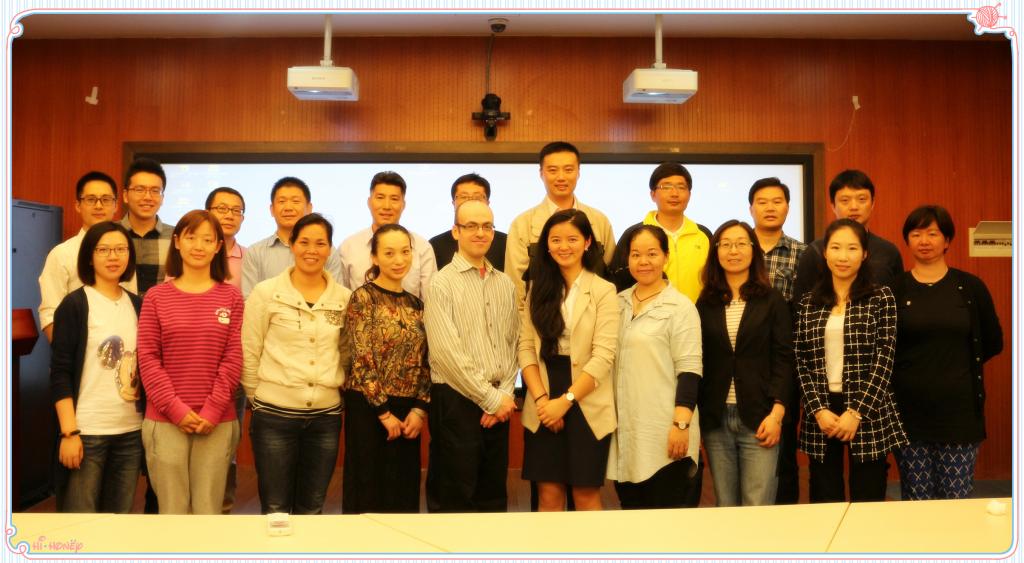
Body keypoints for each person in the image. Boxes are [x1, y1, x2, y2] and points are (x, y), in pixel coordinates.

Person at [242, 213, 351, 514]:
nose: (311, 250)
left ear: (330, 249)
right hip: (274, 417)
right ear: (292, 244)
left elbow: (346, 352)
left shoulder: (344, 298)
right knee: (275, 508)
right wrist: (257, 398)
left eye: (320, 243)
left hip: (325, 419)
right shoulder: (266, 293)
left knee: (313, 506)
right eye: (304, 242)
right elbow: (250, 350)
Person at [892, 205, 1002, 500]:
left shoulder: (970, 287)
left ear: (947, 240)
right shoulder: (894, 289)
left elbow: (993, 341)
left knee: (956, 497)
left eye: (933, 233)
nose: (924, 241)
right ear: (907, 240)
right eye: (916, 234)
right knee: (916, 497)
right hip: (908, 413)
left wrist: (954, 368)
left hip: (959, 413)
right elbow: (884, 349)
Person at [137, 210, 243, 514]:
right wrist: (177, 410)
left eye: (208, 240)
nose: (199, 246)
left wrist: (212, 410)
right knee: (172, 511)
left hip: (217, 420)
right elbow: (148, 358)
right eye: (191, 237)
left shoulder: (232, 297)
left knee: (209, 511)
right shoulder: (156, 297)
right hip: (165, 419)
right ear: (177, 242)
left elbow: (233, 357)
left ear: (218, 247)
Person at [794, 218, 907, 503]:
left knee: (868, 498)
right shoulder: (809, 302)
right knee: (824, 497)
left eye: (852, 248)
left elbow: (885, 358)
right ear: (825, 253)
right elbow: (800, 359)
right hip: (822, 410)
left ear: (865, 254)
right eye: (836, 248)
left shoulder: (881, 297)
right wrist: (817, 409)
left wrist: (856, 412)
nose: (843, 256)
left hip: (867, 407)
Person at [519, 209, 618, 511]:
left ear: (587, 242)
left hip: (587, 397)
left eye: (572, 239)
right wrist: (542, 401)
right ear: (547, 246)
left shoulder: (604, 290)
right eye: (556, 240)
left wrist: (566, 401)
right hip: (544, 392)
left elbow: (604, 356)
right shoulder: (537, 288)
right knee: (548, 494)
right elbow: (526, 348)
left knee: (585, 495)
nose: (564, 246)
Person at [423, 200, 519, 513]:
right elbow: (445, 353)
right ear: (456, 231)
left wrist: (504, 394)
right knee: (455, 498)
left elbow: (512, 344)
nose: (480, 233)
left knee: (493, 497)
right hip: (456, 401)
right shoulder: (441, 283)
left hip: (499, 402)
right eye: (471, 226)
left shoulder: (505, 283)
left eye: (487, 226)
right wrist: (489, 399)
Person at [696, 220, 793, 506]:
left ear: (754, 250)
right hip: (716, 419)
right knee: (726, 504)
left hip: (760, 417)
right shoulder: (705, 302)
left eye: (741, 243)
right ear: (716, 252)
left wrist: (777, 414)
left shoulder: (772, 300)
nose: (733, 251)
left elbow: (784, 359)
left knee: (757, 505)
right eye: (725, 244)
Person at [49, 221, 142, 512]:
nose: (113, 256)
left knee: (118, 521)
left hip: (131, 431)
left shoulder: (138, 305)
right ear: (89, 256)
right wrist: (69, 433)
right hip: (86, 431)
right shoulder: (75, 304)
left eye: (120, 249)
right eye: (103, 250)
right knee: (79, 523)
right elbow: (60, 372)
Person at [607, 225, 702, 509]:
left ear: (666, 257)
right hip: (626, 433)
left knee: (666, 521)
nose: (643, 261)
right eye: (636, 255)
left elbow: (690, 369)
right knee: (633, 518)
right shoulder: (617, 303)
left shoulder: (680, 307)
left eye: (652, 253)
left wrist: (681, 424)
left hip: (665, 430)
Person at [341, 224, 431, 514]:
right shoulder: (362, 298)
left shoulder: (417, 304)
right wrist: (383, 413)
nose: (399, 260)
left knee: (402, 495)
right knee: (367, 495)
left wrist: (419, 409)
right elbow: (361, 357)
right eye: (389, 253)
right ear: (375, 257)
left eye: (405, 252)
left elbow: (427, 360)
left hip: (408, 413)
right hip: (368, 408)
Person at [746, 176, 807, 505]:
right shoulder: (738, 248)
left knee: (783, 448)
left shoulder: (803, 253)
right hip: (743, 362)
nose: (770, 208)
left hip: (785, 362)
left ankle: (785, 515)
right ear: (751, 208)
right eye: (762, 202)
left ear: (787, 207)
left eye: (777, 201)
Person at [506, 142, 616, 307]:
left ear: (578, 172)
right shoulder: (522, 224)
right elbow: (515, 286)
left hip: (593, 315)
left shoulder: (599, 221)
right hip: (540, 316)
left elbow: (609, 274)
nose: (561, 177)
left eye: (568, 170)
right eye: (553, 170)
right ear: (541, 173)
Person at [792, 169, 903, 302]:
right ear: (833, 205)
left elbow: (898, 302)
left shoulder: (888, 252)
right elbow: (800, 303)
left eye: (861, 199)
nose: (854, 207)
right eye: (845, 200)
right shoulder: (815, 251)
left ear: (873, 203)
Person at [608, 162, 713, 302]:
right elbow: (618, 281)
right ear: (653, 194)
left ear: (689, 194)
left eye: (681, 187)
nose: (674, 193)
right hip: (647, 314)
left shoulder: (704, 235)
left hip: (697, 314)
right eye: (666, 187)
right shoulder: (633, 235)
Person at [204, 186, 247, 514]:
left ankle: (223, 507)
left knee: (227, 442)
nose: (229, 215)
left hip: (234, 363)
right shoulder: (192, 254)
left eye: (236, 210)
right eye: (221, 208)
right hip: (194, 362)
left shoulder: (250, 258)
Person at [39, 171, 121, 342]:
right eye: (91, 199)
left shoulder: (124, 252)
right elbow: (50, 314)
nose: (98, 206)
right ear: (78, 205)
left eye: (106, 199)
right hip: (76, 350)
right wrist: (68, 353)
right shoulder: (61, 254)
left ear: (116, 206)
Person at [337, 171, 437, 299]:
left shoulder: (422, 247)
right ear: (369, 202)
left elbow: (431, 300)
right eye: (380, 198)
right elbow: (341, 298)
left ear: (403, 205)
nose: (386, 206)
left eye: (394, 199)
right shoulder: (348, 247)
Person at [241, 176, 342, 297]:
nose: (288, 208)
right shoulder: (255, 252)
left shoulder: (326, 251)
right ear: (272, 209)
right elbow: (250, 300)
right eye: (282, 201)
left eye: (296, 201)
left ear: (309, 208)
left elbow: (337, 296)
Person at [429, 173, 508, 271]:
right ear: (453, 203)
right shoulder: (435, 245)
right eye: (464, 197)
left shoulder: (506, 243)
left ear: (488, 203)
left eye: (477, 197)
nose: (470, 201)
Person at [119, 157, 174, 296]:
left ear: (162, 198)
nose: (148, 197)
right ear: (125, 195)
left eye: (155, 191)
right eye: (140, 189)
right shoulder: (109, 234)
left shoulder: (176, 237)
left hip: (162, 310)